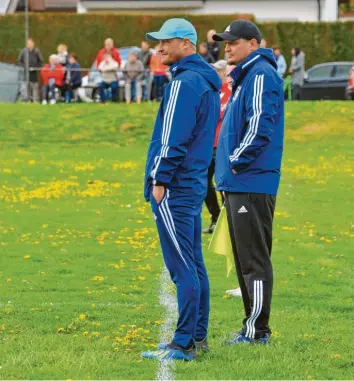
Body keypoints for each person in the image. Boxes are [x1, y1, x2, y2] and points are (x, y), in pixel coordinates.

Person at [142, 18, 221, 361]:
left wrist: (159, 181)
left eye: (165, 42)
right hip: (191, 184)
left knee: (182, 267)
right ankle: (197, 336)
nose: (158, 48)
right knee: (194, 264)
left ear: (186, 44)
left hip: (175, 187)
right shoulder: (201, 81)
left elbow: (173, 138)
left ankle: (184, 341)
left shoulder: (183, 84)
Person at [213, 20, 284, 344]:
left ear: (253, 44)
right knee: (245, 260)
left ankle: (257, 332)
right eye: (224, 42)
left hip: (250, 183)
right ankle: (251, 327)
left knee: (253, 260)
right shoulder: (245, 75)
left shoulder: (259, 74)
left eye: (233, 42)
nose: (226, 47)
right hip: (241, 183)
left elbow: (260, 126)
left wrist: (235, 163)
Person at [203, 60, 233, 234]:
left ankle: (227, 221)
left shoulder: (231, 92)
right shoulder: (212, 93)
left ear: (223, 72)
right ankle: (215, 217)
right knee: (204, 183)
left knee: (223, 183)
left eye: (216, 71)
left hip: (223, 147)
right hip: (208, 146)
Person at [18, 38, 43, 102]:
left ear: (33, 44)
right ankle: (26, 100)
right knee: (25, 86)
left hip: (34, 72)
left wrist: (35, 67)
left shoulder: (37, 51)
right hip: (25, 72)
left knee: (34, 87)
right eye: (28, 44)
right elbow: (20, 61)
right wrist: (24, 67)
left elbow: (40, 62)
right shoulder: (23, 51)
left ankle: (35, 100)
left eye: (30, 44)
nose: (29, 45)